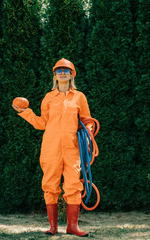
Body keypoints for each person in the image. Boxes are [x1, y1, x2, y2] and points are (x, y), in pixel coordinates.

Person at [12, 58, 91, 237]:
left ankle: (73, 227)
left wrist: (88, 136)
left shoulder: (80, 97)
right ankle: (53, 227)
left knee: (73, 186)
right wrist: (25, 112)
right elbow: (42, 123)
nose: (62, 73)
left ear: (72, 74)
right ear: (54, 75)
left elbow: (87, 120)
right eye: (59, 70)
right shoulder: (48, 98)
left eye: (66, 70)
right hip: (50, 148)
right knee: (50, 185)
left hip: (72, 149)